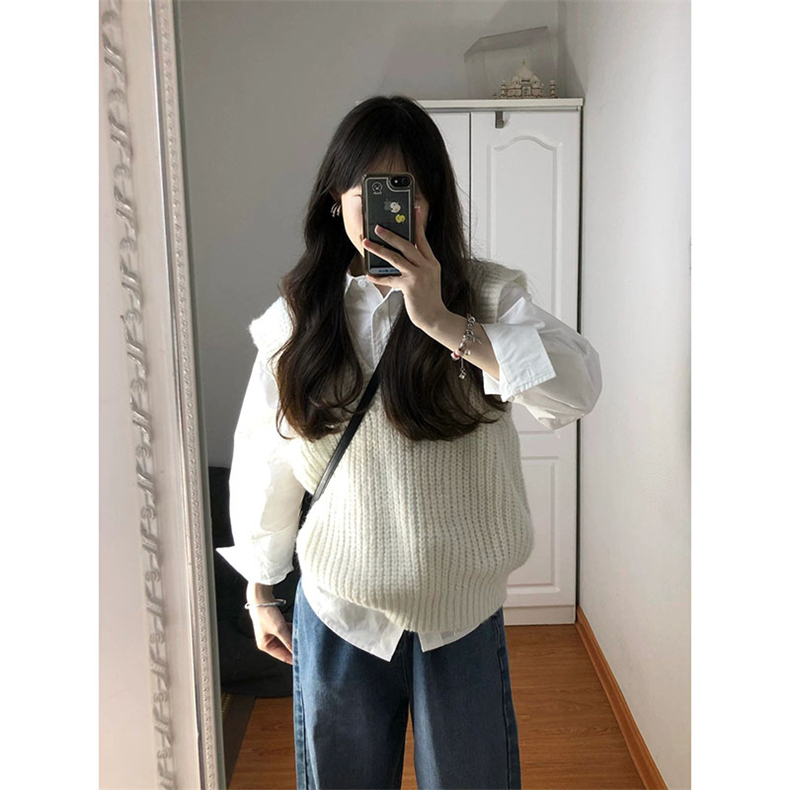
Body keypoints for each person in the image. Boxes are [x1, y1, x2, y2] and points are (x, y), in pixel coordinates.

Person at [218, 95, 602, 790]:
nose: (395, 209)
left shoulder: (487, 296)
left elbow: (577, 389)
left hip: (462, 616)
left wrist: (446, 322)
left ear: (434, 202)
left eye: (411, 191)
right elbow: (265, 461)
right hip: (339, 612)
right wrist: (260, 589)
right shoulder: (297, 321)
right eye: (373, 190)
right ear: (336, 200)